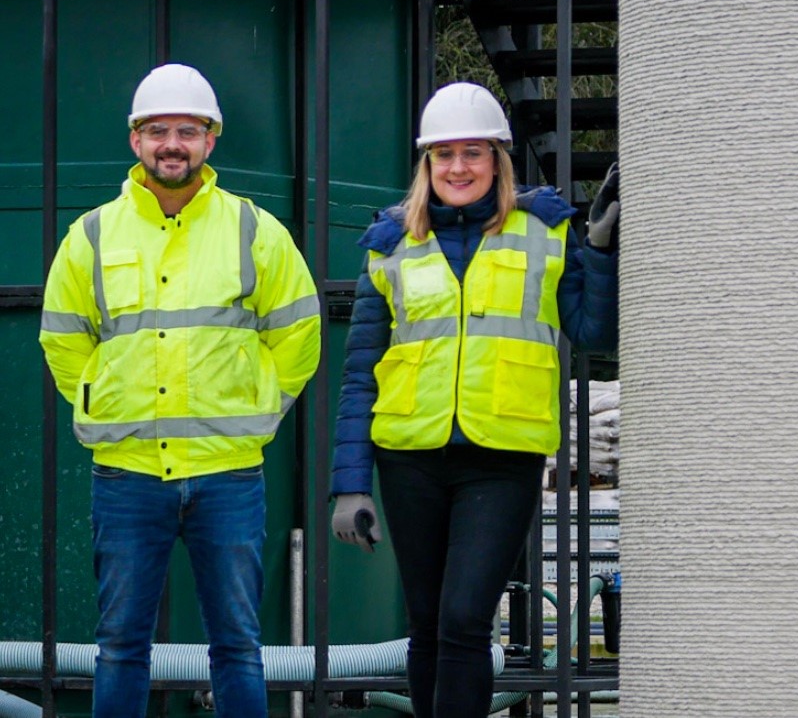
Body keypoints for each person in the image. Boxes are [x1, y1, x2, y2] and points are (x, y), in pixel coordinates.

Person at [38, 63, 322, 718]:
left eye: (187, 131)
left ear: (210, 140)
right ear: (135, 141)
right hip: (128, 472)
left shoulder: (254, 231)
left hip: (229, 475)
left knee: (239, 649)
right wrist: (100, 405)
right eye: (158, 130)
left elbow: (301, 332)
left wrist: (258, 411)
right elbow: (61, 337)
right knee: (120, 648)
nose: (173, 143)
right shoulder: (92, 235)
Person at [329, 81, 619, 717]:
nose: (457, 167)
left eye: (473, 153)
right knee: (430, 625)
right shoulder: (390, 244)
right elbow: (360, 374)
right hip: (409, 457)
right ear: (426, 165)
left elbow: (596, 333)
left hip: (502, 454)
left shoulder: (544, 231)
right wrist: (350, 485)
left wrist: (598, 253)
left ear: (498, 161)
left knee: (465, 617)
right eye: (443, 155)